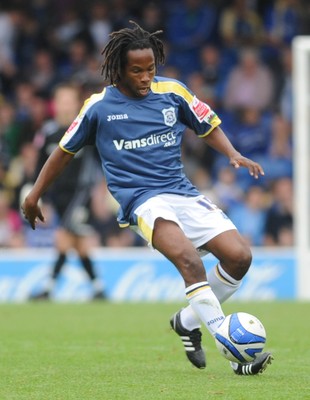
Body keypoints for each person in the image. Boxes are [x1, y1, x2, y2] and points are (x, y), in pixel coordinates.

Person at [22, 21, 272, 374]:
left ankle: (187, 322)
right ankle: (229, 346)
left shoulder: (173, 93)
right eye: (136, 70)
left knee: (239, 257)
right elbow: (63, 151)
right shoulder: (98, 107)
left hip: (181, 192)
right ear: (119, 70)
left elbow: (207, 124)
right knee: (189, 261)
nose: (144, 77)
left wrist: (232, 152)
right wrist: (34, 195)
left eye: (150, 69)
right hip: (140, 199)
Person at [28, 83, 106, 300]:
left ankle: (48, 288)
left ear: (76, 104)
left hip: (80, 195)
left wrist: (101, 191)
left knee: (63, 238)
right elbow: (39, 168)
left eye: (69, 101)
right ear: (55, 105)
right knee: (78, 244)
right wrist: (38, 195)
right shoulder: (48, 133)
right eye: (62, 101)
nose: (65, 106)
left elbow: (102, 162)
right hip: (58, 197)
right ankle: (98, 288)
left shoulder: (86, 130)